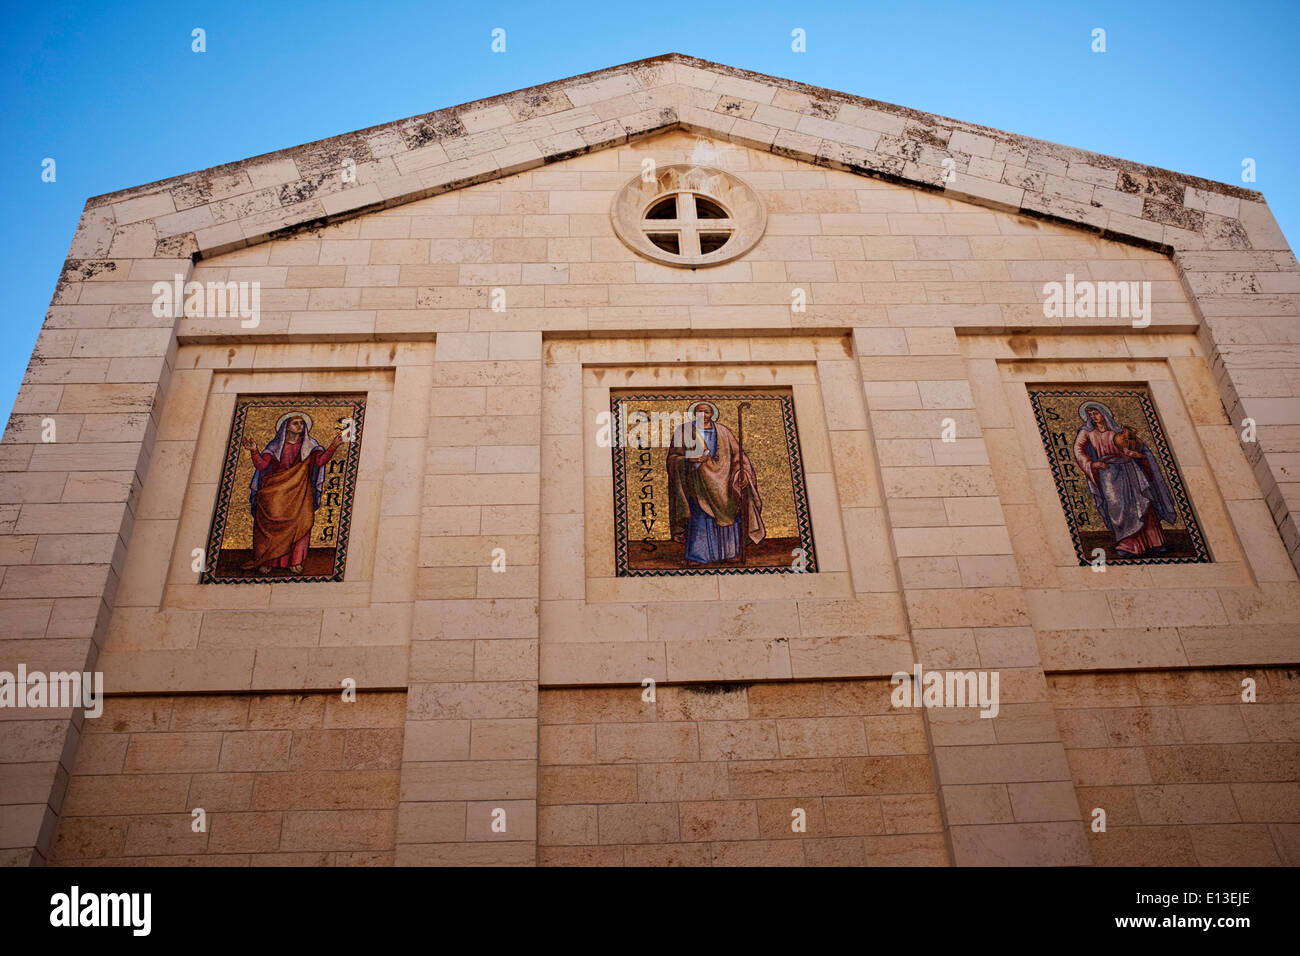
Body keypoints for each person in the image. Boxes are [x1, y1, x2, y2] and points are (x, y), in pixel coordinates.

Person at [240, 412, 342, 573]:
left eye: (302, 423)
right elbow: (261, 466)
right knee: (270, 527)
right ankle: (267, 560)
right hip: (275, 494)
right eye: (295, 423)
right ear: (286, 426)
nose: (300, 426)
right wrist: (254, 451)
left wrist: (333, 446)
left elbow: (320, 461)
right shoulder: (274, 447)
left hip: (300, 493)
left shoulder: (310, 447)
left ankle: (295, 561)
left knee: (302, 523)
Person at [1072, 401, 1176, 556]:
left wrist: (1136, 454)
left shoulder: (1118, 431)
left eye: (1096, 413)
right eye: (1090, 414)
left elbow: (1136, 446)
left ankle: (1155, 542)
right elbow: (1078, 450)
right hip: (1108, 472)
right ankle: (1128, 544)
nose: (1093, 417)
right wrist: (1093, 464)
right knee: (1117, 506)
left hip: (1129, 468)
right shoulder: (1087, 432)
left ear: (1104, 413)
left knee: (1142, 503)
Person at [665, 401, 764, 564]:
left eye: (707, 412)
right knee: (699, 516)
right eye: (700, 411)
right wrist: (689, 459)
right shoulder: (684, 431)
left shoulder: (723, 431)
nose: (703, 415)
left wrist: (742, 472)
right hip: (697, 482)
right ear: (694, 414)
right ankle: (697, 556)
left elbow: (738, 455)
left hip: (724, 483)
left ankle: (731, 553)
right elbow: (673, 459)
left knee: (730, 513)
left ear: (712, 414)